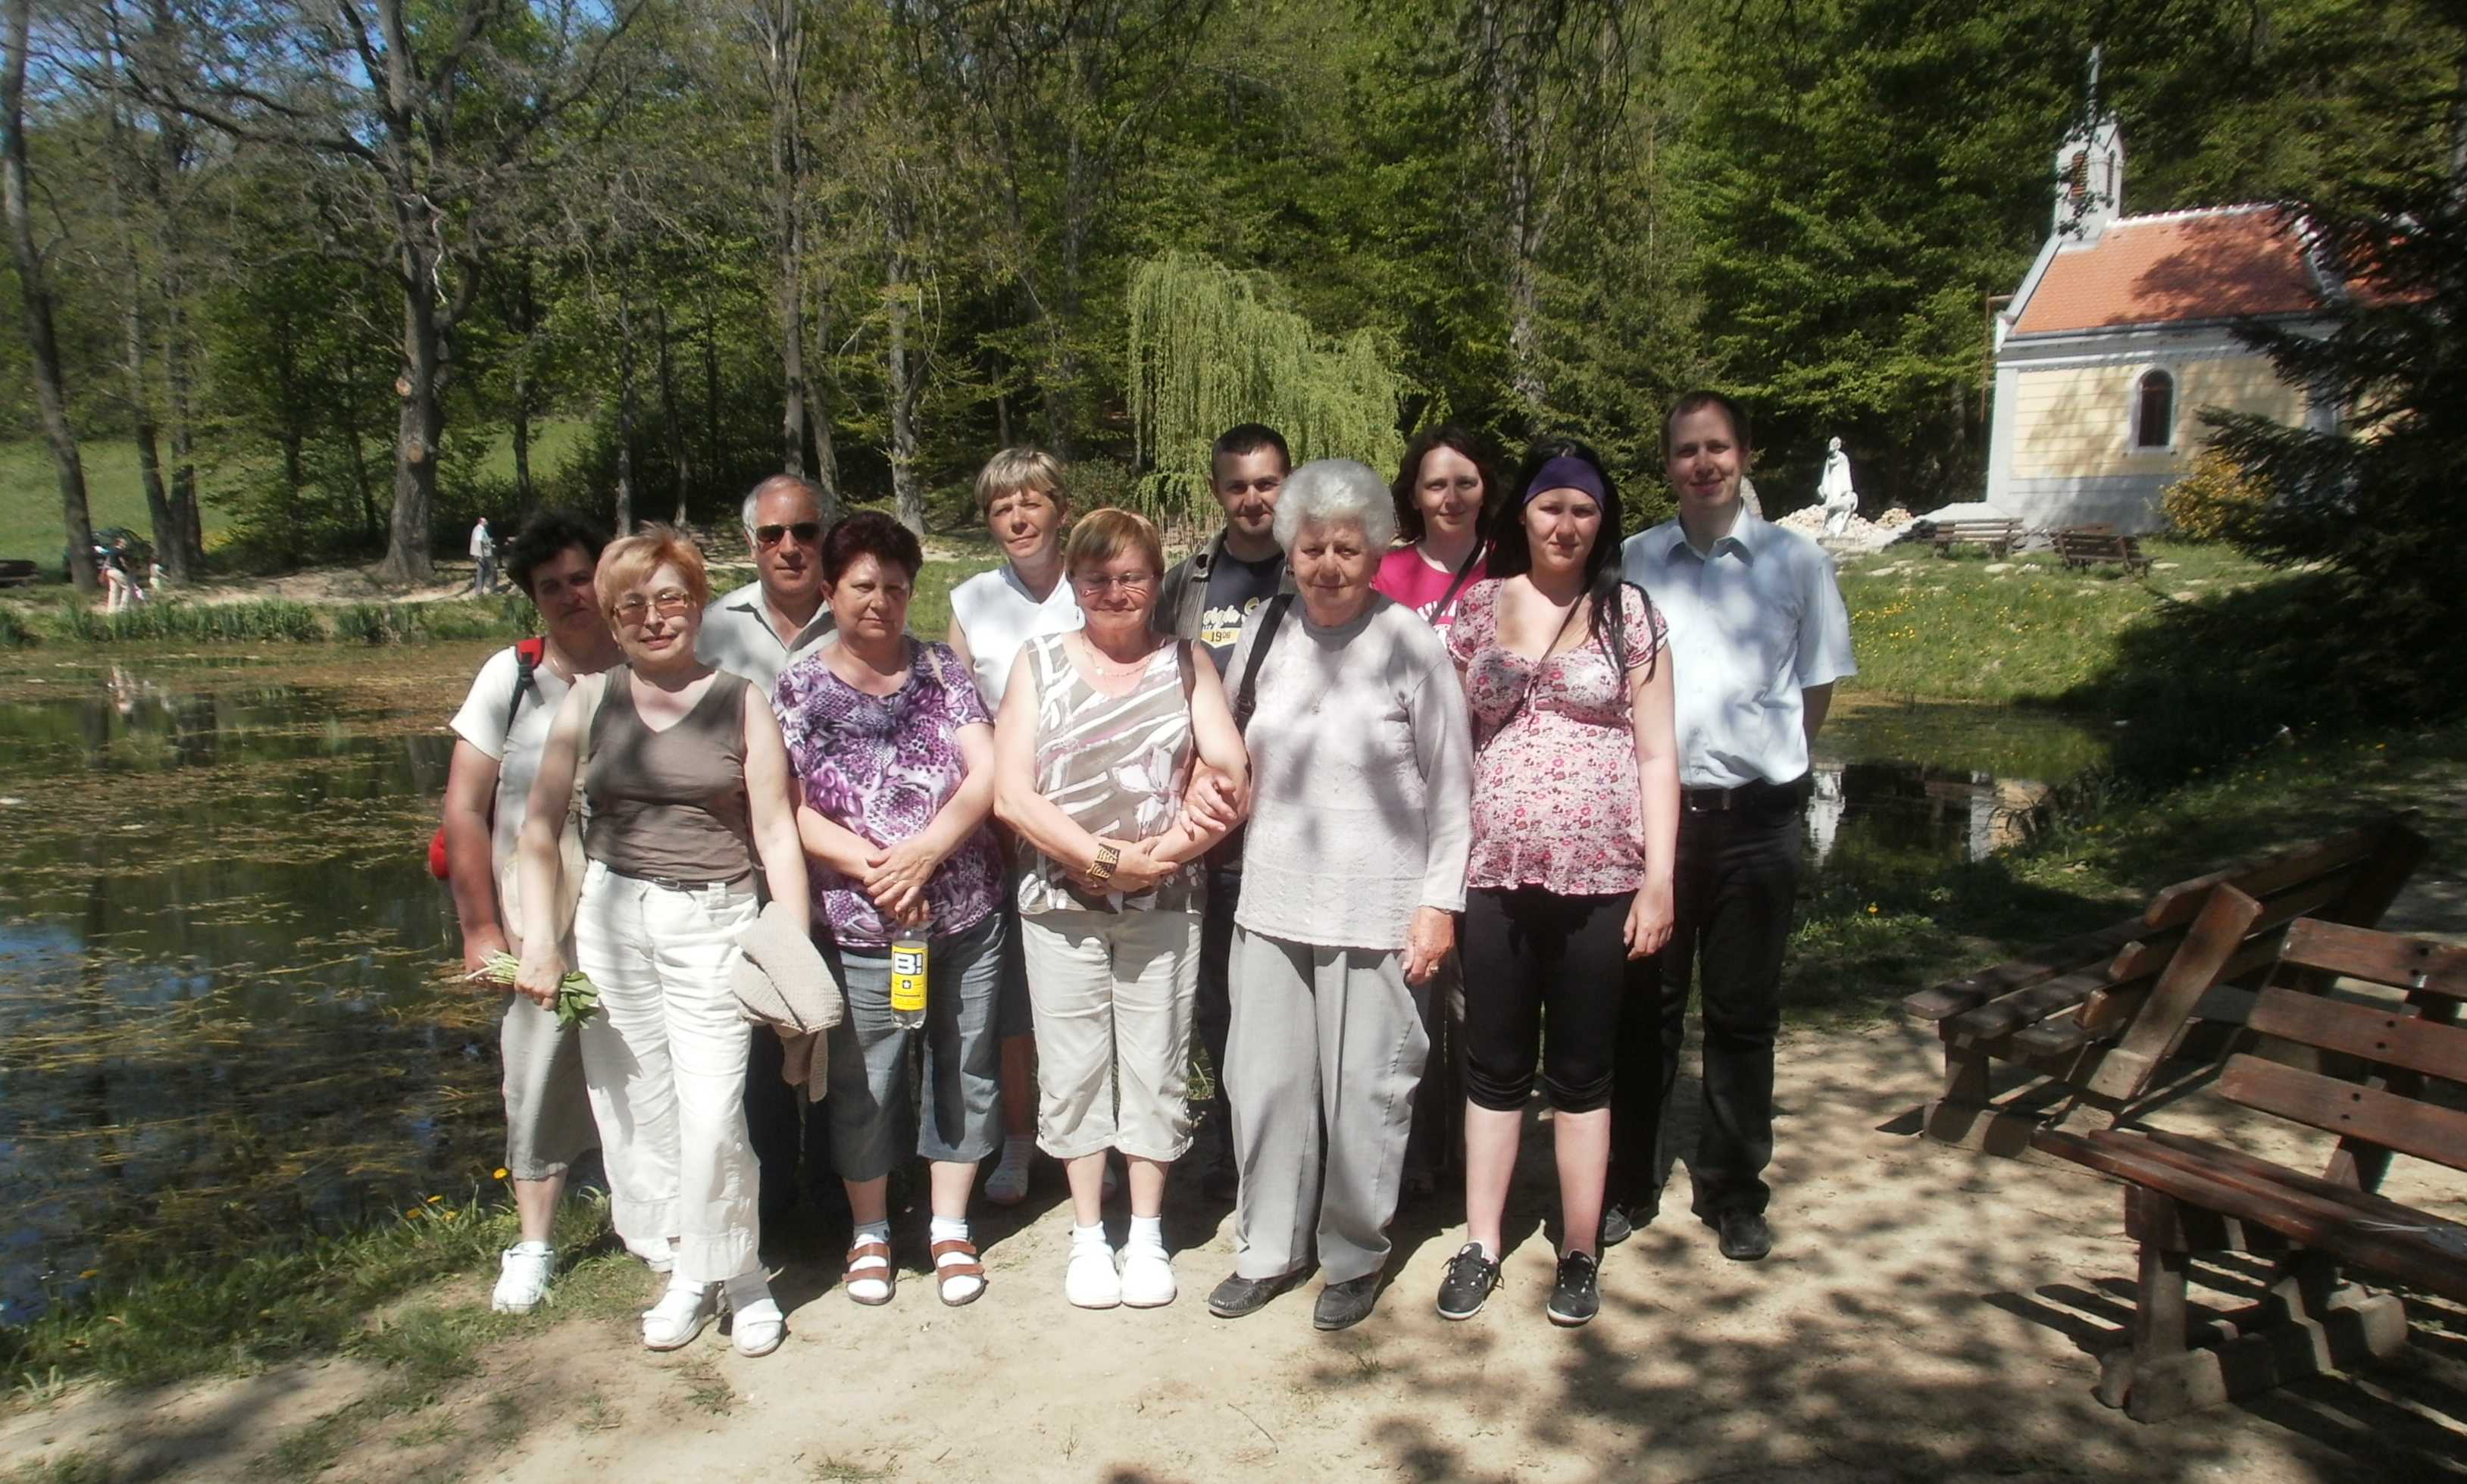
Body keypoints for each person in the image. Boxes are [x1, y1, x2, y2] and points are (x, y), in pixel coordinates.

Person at [515, 525, 809, 1357]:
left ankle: (742, 1275)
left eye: (671, 599)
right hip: (614, 922)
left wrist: (789, 949)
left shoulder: (741, 700)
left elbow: (776, 832)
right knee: (640, 1112)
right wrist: (541, 943)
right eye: (632, 605)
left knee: (714, 1112)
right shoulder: (589, 700)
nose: (654, 618)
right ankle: (687, 1269)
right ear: (612, 618)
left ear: (698, 605)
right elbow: (538, 831)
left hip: (715, 921)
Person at [1205, 460, 1472, 1332]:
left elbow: (1452, 788)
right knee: (1265, 1086)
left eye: (1346, 549)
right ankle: (1268, 1249)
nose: (1327, 565)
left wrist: (1438, 904)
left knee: (1367, 1091)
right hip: (1272, 898)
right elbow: (1228, 756)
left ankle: (1354, 1255)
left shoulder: (1410, 644)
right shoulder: (1265, 633)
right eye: (1312, 547)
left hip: (1379, 906)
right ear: (1289, 549)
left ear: (1376, 550)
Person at [1437, 436, 1679, 1329]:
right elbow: (1446, 746)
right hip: (1493, 874)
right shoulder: (1476, 608)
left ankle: (1579, 1249)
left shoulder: (1630, 614)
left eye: (1583, 509)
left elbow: (1657, 754)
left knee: (1582, 1071)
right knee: (1493, 1067)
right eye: (1550, 506)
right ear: (1524, 514)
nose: (1566, 524)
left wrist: (1660, 881)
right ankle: (1480, 1243)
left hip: (1602, 878)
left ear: (1601, 521)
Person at [1610, 390, 1856, 1264]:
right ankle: (1629, 1181)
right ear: (1667, 463)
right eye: (1686, 450)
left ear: (1744, 454)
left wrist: (1769, 763)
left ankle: (1732, 1189)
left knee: (1743, 1014)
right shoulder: (1635, 562)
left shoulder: (1796, 562)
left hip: (1756, 820)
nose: (1702, 463)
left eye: (1716, 447)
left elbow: (1816, 686)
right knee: (1646, 1011)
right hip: (1658, 824)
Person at [996, 508, 1247, 1310]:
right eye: (1098, 577)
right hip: (1057, 903)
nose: (1115, 591)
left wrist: (1159, 857)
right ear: (1073, 582)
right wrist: (1107, 862)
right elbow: (1012, 795)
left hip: (1165, 900)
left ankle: (1145, 1234)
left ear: (1155, 581)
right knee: (1072, 1071)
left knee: (1155, 1064)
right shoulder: (1037, 663)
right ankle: (1086, 1236)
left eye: (1132, 576)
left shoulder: (1189, 663)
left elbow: (1230, 775)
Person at [776, 512, 1009, 1308]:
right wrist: (877, 866)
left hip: (964, 913)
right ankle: (870, 1230)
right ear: (830, 591)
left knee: (964, 1065)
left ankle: (949, 1225)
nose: (881, 601)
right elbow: (789, 809)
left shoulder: (942, 670)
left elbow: (985, 774)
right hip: (861, 922)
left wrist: (927, 852)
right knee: (866, 1079)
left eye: (897, 587)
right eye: (864, 586)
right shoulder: (800, 686)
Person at [442, 511, 626, 1314]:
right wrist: (480, 927)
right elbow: (463, 808)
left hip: (637, 907)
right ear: (532, 597)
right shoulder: (510, 678)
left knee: (646, 1063)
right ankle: (535, 1243)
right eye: (551, 586)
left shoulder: (650, 663)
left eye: (581, 578)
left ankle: (650, 1216)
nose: (570, 596)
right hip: (537, 916)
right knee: (538, 1071)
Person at [1154, 423, 1296, 1200]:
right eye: (1237, 485)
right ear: (1217, 491)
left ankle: (1288, 1148)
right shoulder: (1186, 583)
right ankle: (1231, 1145)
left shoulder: (1316, 569)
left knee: (1284, 1001)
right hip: (1206, 828)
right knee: (1217, 998)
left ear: (1288, 484)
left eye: (1266, 483)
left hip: (1292, 822)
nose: (1252, 499)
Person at [697, 473, 839, 1233]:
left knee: (845, 1033)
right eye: (772, 534)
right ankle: (774, 1199)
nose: (789, 547)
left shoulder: (860, 611)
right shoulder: (713, 629)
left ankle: (848, 1193)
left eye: (804, 531)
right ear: (751, 543)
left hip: (845, 870)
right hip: (745, 870)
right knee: (758, 1038)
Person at [945, 448, 1083, 1208]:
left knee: (1089, 986)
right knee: (1015, 1003)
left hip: (1089, 817)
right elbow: (957, 716)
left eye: (1032, 501)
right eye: (1002, 507)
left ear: (1061, 508)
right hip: (1005, 829)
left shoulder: (1094, 585)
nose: (1019, 518)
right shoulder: (971, 601)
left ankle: (1092, 1136)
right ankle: (1021, 1138)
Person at [1373, 425, 1500, 628]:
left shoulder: (1512, 565)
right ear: (1414, 497)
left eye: (1465, 483)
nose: (1452, 499)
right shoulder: (1384, 575)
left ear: (1484, 492)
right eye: (1436, 486)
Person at [471, 517, 497, 595]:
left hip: (483, 554)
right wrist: (479, 555)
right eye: (485, 522)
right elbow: (478, 543)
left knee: (482, 573)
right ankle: (492, 590)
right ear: (481, 522)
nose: (487, 523)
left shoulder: (481, 530)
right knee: (492, 571)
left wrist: (490, 544)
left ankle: (479, 592)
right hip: (484, 554)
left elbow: (483, 541)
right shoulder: (479, 530)